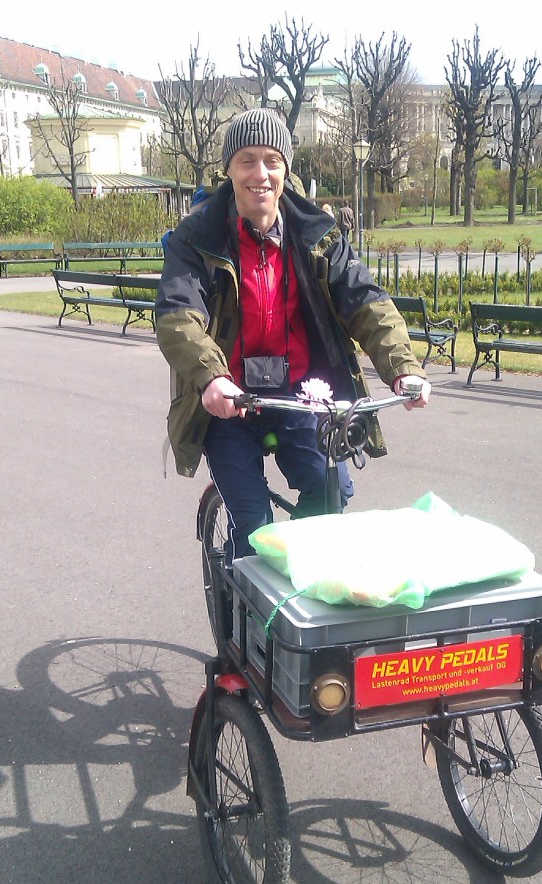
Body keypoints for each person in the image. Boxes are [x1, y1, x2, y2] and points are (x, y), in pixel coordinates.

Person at [155, 108, 430, 560]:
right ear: (228, 168)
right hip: (231, 403)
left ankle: (291, 569)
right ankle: (243, 617)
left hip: (302, 396)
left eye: (271, 160)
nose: (259, 174)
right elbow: (178, 316)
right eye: (246, 160)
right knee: (254, 529)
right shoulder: (196, 240)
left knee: (331, 498)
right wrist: (212, 377)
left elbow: (365, 301)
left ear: (286, 169)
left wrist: (402, 369)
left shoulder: (317, 234)